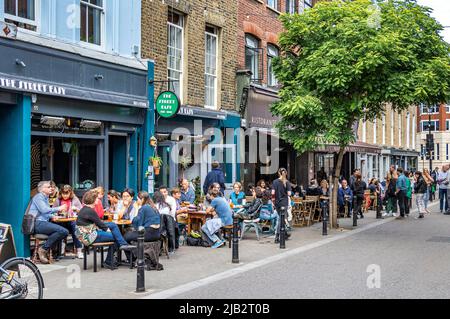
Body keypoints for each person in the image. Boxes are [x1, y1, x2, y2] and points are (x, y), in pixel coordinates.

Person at [76, 190, 135, 270]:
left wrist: (108, 228)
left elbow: (99, 223)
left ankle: (122, 244)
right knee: (116, 237)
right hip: (89, 237)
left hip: (86, 233)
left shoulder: (85, 209)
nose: (98, 200)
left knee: (113, 225)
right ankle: (109, 260)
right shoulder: (90, 211)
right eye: (97, 198)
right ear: (93, 200)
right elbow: (101, 224)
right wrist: (108, 230)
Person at [30, 181, 69, 264]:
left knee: (63, 231)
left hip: (43, 222)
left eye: (51, 187)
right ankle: (43, 249)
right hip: (37, 223)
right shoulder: (38, 197)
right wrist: (59, 208)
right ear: (42, 189)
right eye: (48, 187)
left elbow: (45, 213)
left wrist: (53, 216)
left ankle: (46, 249)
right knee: (63, 231)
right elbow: (44, 210)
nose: (51, 188)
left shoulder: (45, 197)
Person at [271, 168, 292, 243]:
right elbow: (289, 194)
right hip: (284, 203)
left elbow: (273, 193)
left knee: (281, 218)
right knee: (281, 219)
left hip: (277, 202)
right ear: (285, 173)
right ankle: (277, 236)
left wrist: (273, 202)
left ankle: (285, 234)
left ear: (278, 173)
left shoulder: (275, 182)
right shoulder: (287, 182)